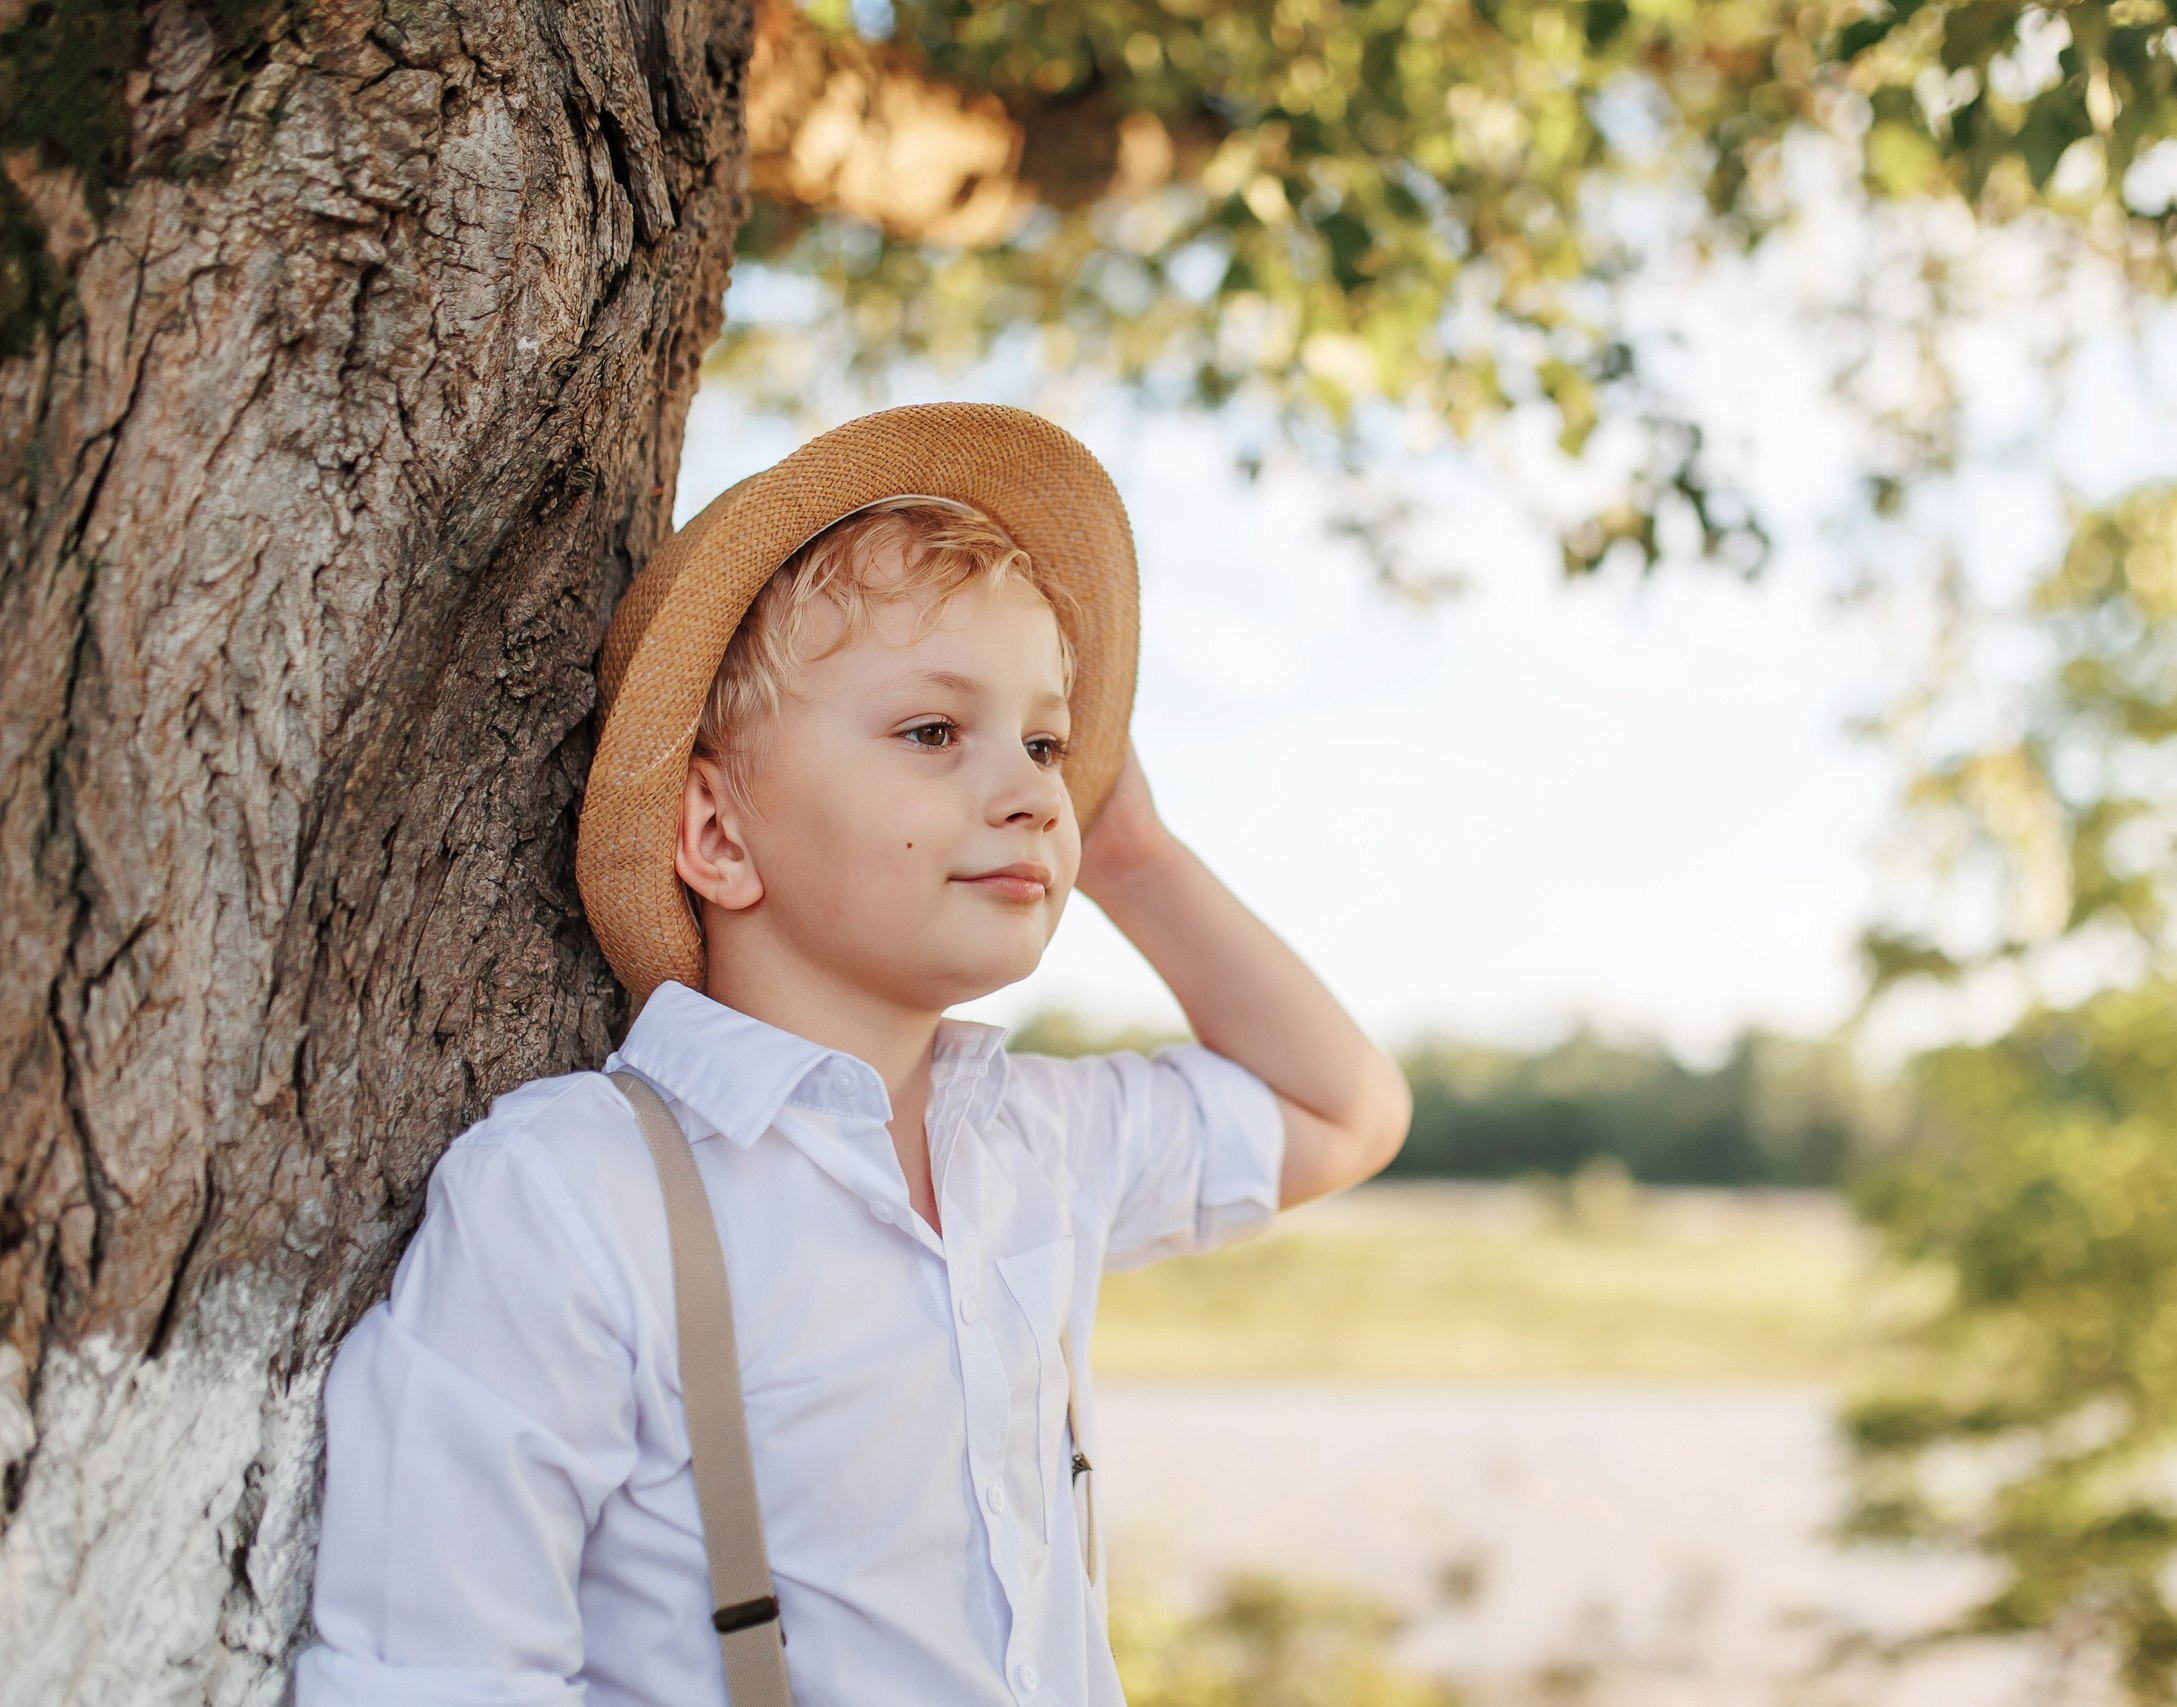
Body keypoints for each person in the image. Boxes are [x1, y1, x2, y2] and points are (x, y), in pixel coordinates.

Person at [293, 405, 1411, 1707]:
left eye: (1048, 744)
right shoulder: (575, 1194)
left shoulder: (1040, 1142)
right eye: (934, 733)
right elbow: (436, 1676)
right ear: (716, 833)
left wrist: (1133, 855)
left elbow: (1342, 1111)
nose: (1035, 789)